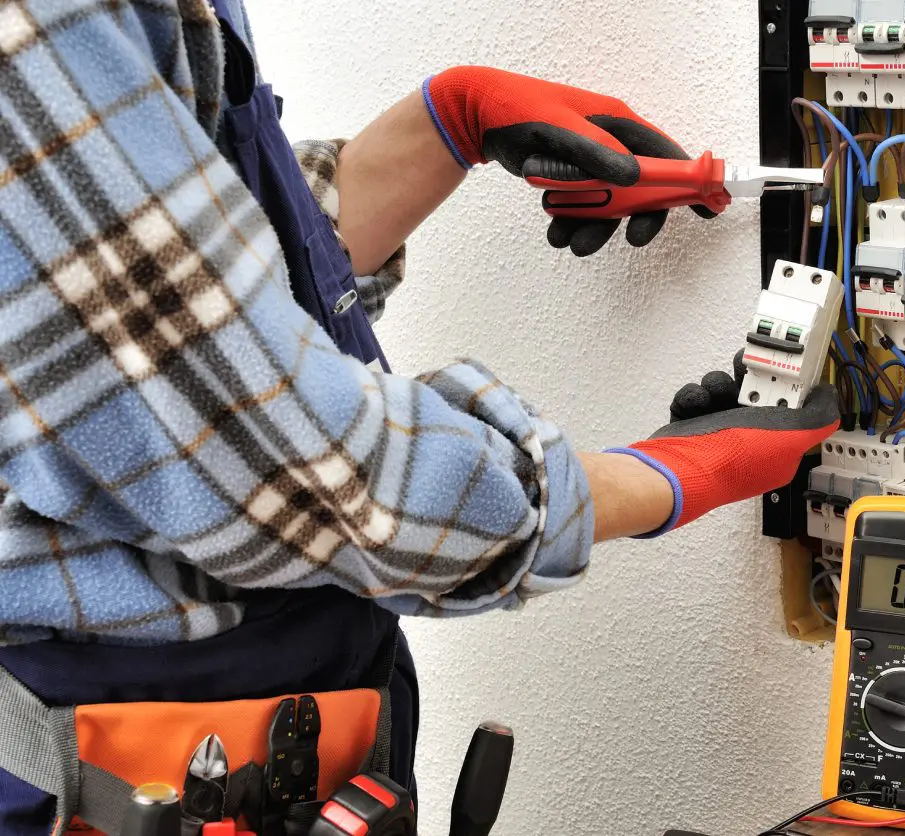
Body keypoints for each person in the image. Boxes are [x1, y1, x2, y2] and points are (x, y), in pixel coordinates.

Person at [0, 1, 840, 833]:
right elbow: (296, 466)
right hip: (115, 754)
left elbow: (188, 283)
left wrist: (447, 124)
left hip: (270, 719)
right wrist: (670, 477)